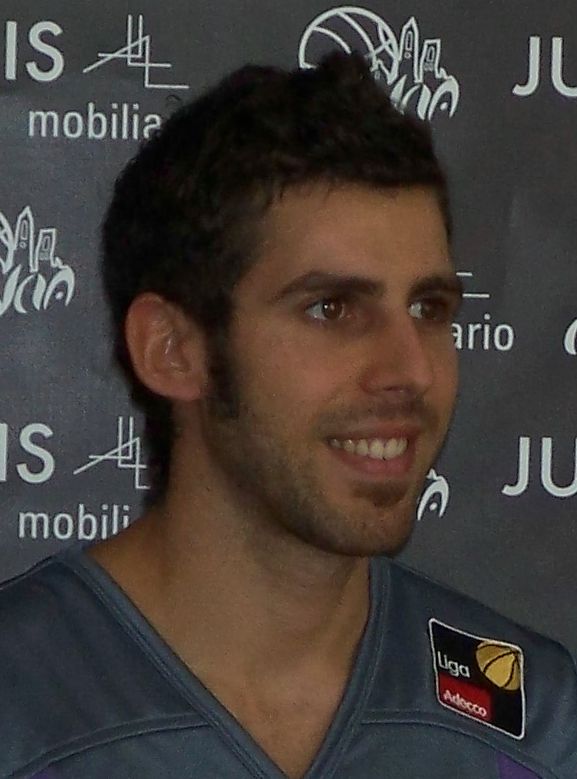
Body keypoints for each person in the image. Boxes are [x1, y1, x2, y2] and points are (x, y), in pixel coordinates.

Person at [1, 53, 576, 779]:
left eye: (429, 309)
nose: (410, 370)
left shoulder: (531, 716)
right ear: (173, 350)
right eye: (331, 308)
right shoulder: (19, 702)